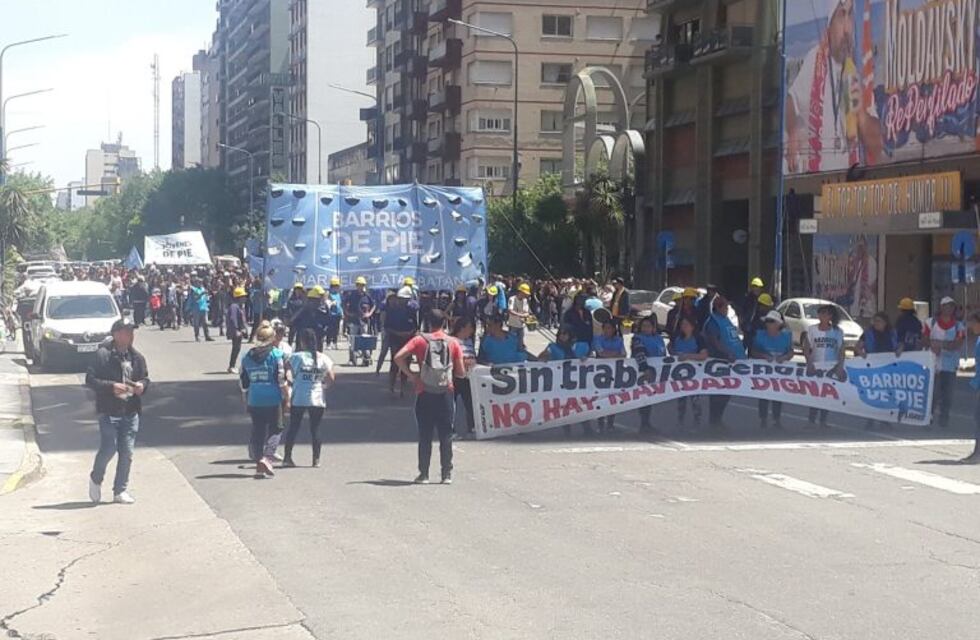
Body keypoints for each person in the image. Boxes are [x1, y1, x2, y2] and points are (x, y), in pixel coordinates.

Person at [784, 0, 883, 175]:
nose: (847, 29)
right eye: (841, 16)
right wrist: (792, 133)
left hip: (849, 185)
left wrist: (860, 113)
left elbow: (876, 148)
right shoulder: (815, 60)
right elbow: (791, 99)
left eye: (850, 15)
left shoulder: (857, 70)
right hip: (814, 181)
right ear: (829, 26)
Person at [394, 309, 466, 484]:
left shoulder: (420, 340)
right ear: (444, 323)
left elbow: (398, 357)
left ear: (427, 323)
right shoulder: (453, 343)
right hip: (446, 392)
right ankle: (446, 474)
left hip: (424, 391)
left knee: (425, 434)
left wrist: (412, 375)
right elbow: (461, 373)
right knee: (446, 434)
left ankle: (424, 474)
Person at [86, 320, 150, 505]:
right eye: (124, 332)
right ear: (115, 334)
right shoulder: (103, 355)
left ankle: (120, 490)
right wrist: (111, 387)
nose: (129, 336)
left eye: (131, 332)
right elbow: (90, 379)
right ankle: (96, 478)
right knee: (109, 448)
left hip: (130, 411)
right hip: (109, 411)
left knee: (127, 452)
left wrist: (141, 386)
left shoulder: (137, 357)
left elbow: (145, 378)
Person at [239, 321, 289, 478]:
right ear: (272, 338)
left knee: (258, 430)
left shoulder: (247, 357)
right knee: (276, 429)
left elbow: (244, 383)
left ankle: (259, 461)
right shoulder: (276, 355)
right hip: (273, 399)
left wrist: (246, 399)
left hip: (254, 398)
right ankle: (267, 457)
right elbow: (281, 379)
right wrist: (287, 397)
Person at [283, 328, 335, 468]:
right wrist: (324, 386)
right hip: (317, 397)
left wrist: (290, 378)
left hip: (299, 396)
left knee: (294, 427)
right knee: (315, 428)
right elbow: (331, 377)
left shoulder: (297, 357)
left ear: (302, 341)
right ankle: (316, 459)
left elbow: (286, 367)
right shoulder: (323, 358)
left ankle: (287, 457)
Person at [701, 294, 746, 428]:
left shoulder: (725, 319)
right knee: (718, 392)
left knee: (727, 391)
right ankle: (714, 419)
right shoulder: (713, 322)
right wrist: (727, 354)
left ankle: (718, 419)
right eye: (725, 306)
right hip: (720, 361)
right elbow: (715, 341)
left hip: (733, 361)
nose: (727, 308)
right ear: (718, 307)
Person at [924, 296, 964, 430]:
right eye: (946, 305)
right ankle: (928, 417)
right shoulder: (930, 323)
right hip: (933, 365)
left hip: (950, 366)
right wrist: (934, 344)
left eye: (952, 306)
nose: (949, 308)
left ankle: (944, 420)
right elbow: (924, 340)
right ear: (941, 307)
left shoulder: (959, 326)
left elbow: (956, 345)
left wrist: (938, 344)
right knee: (933, 394)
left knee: (948, 396)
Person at [803, 304, 846, 428]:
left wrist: (840, 366)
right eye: (820, 313)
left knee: (827, 394)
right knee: (815, 393)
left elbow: (841, 350)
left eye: (825, 314)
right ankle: (811, 419)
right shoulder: (812, 330)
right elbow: (807, 347)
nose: (822, 316)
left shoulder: (837, 332)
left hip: (830, 367)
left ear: (830, 316)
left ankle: (823, 420)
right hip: (816, 366)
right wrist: (809, 362)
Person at [856, 311, 899, 430]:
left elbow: (899, 345)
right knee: (873, 393)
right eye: (875, 321)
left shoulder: (891, 333)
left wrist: (899, 350)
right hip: (873, 367)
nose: (876, 323)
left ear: (885, 323)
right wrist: (862, 354)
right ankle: (870, 419)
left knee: (886, 394)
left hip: (888, 367)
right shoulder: (868, 333)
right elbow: (858, 346)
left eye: (879, 321)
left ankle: (885, 419)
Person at [751, 311, 793, 430]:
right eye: (767, 321)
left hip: (780, 371)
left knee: (778, 395)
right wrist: (764, 356)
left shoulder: (786, 336)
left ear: (778, 324)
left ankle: (776, 419)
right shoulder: (760, 335)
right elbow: (753, 352)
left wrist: (784, 357)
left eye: (771, 321)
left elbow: (790, 351)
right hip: (764, 371)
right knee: (763, 395)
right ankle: (763, 419)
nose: (768, 324)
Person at [631, 317, 666, 434]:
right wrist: (645, 368)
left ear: (653, 328)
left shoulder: (659, 339)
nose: (646, 328)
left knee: (651, 397)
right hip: (643, 372)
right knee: (644, 396)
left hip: (658, 372)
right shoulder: (637, 339)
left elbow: (664, 354)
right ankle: (644, 423)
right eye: (643, 326)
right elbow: (639, 353)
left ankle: (647, 423)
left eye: (648, 326)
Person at [670, 317, 708, 426]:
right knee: (681, 400)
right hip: (679, 374)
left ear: (692, 327)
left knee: (695, 399)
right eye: (682, 324)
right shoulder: (677, 338)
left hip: (694, 374)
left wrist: (688, 356)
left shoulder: (698, 339)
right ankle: (680, 422)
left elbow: (704, 355)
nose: (684, 327)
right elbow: (671, 350)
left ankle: (697, 422)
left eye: (686, 324)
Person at [382, 286, 419, 394]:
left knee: (406, 363)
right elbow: (387, 326)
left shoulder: (412, 309)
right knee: (394, 363)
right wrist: (398, 333)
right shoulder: (392, 310)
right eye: (402, 298)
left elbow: (416, 326)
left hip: (408, 339)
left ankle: (403, 387)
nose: (404, 301)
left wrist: (411, 333)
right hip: (395, 338)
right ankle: (391, 387)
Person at [592, 319, 627, 434]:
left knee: (613, 398)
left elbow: (623, 354)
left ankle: (611, 423)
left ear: (614, 329)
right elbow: (601, 353)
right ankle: (600, 424)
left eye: (610, 328)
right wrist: (614, 354)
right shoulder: (598, 339)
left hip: (615, 372)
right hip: (600, 373)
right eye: (605, 328)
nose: (608, 330)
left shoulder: (619, 340)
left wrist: (610, 355)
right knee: (601, 398)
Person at [450, 316, 477, 436]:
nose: (471, 331)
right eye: (469, 328)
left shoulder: (469, 341)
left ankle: (472, 427)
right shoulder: (451, 341)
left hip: (468, 377)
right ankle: (450, 429)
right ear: (462, 328)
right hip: (455, 377)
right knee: (451, 404)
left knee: (471, 403)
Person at [962, 312, 980, 463]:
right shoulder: (977, 339)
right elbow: (974, 361)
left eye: (973, 322)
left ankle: (978, 453)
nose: (971, 326)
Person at [226, 286, 249, 374]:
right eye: (243, 296)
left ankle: (232, 365)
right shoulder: (234, 306)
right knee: (235, 348)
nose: (245, 298)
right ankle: (231, 366)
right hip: (236, 331)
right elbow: (233, 319)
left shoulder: (240, 306)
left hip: (240, 331)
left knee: (237, 348)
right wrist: (236, 330)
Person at [324, 277, 344, 349]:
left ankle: (335, 343)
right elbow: (325, 302)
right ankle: (328, 343)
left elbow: (341, 304)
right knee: (330, 329)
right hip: (331, 314)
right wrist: (331, 303)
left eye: (337, 286)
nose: (336, 288)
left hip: (338, 314)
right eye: (335, 286)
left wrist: (342, 313)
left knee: (336, 329)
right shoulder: (328, 293)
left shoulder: (339, 294)